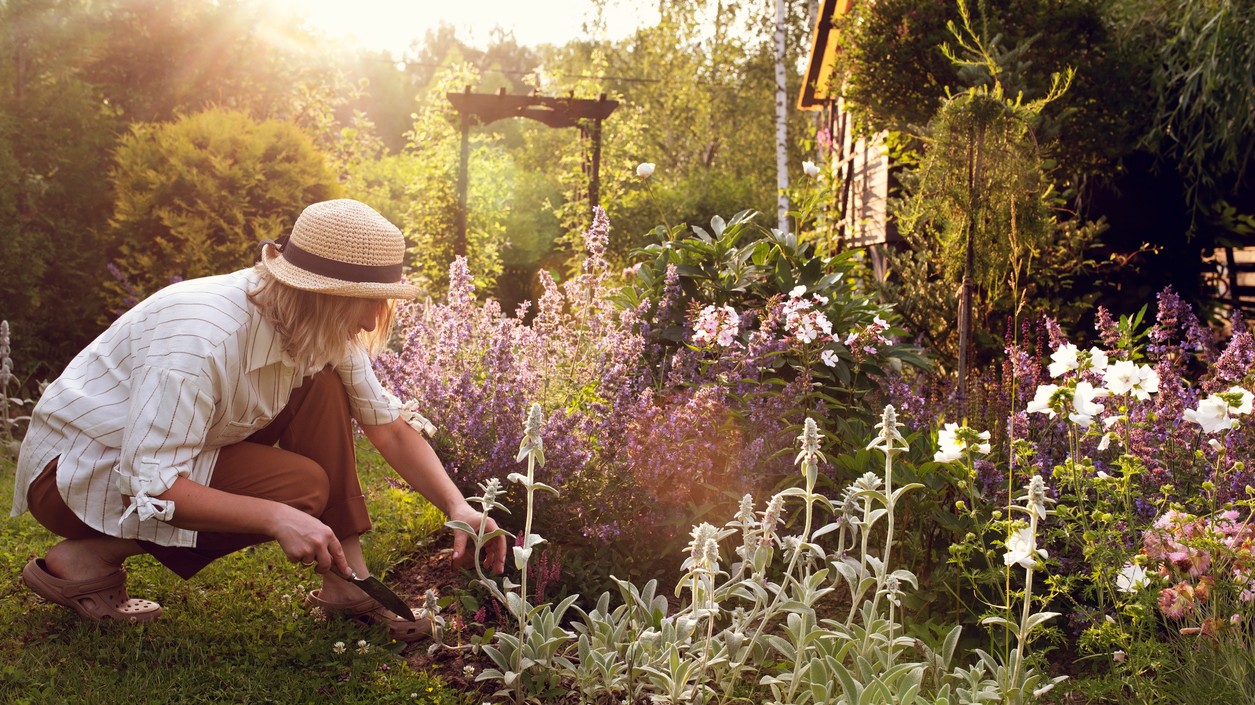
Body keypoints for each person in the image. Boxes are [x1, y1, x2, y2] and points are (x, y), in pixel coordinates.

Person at [9, 198, 506, 641]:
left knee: (326, 386)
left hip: (162, 455)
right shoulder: (202, 339)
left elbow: (387, 425)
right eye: (367, 303)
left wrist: (456, 505)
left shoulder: (309, 321)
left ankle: (347, 584)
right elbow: (152, 484)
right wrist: (276, 516)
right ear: (322, 294)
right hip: (77, 475)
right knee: (299, 490)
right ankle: (90, 558)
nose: (372, 321)